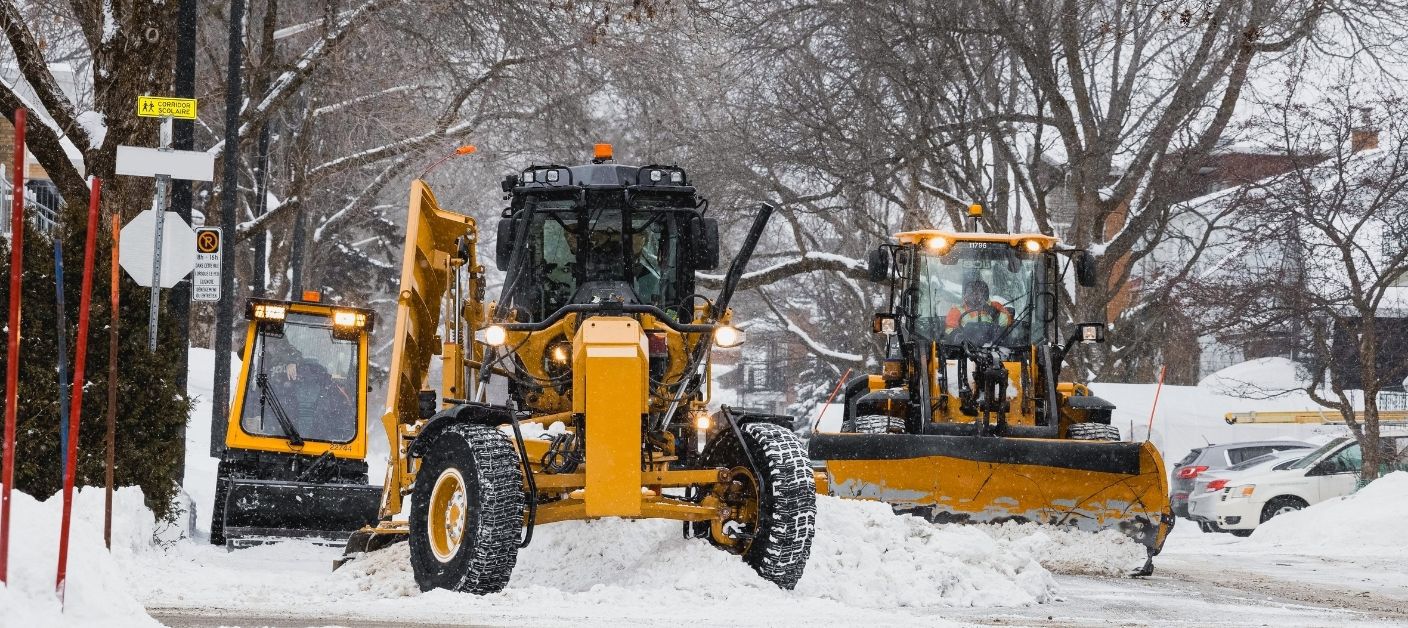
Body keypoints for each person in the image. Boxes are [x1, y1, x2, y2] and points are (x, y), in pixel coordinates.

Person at [945, 278, 1012, 332]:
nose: (976, 295)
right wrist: (958, 335)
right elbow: (949, 331)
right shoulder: (957, 310)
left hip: (994, 345)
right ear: (966, 295)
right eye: (972, 292)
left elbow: (1008, 324)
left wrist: (997, 315)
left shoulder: (995, 306)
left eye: (980, 292)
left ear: (986, 294)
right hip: (966, 346)